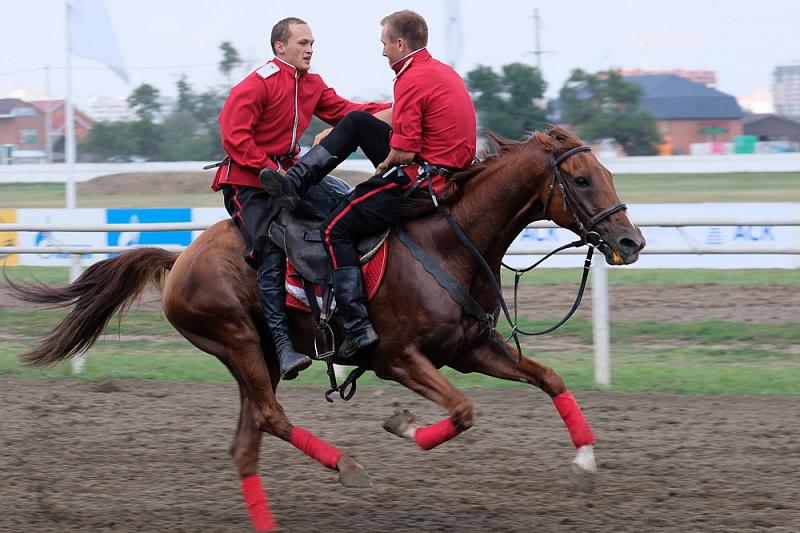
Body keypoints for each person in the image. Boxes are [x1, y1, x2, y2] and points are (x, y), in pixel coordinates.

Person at [259, 10, 477, 359]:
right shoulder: (438, 71)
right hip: (444, 175)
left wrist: (383, 168)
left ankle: (357, 327)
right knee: (358, 122)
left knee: (334, 229)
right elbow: (381, 117)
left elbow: (404, 152)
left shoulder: (409, 78)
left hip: (422, 182)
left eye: (385, 44)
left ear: (400, 43)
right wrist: (346, 133)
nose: (383, 51)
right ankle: (296, 183)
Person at [211, 17, 391, 380]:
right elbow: (234, 136)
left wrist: (400, 104)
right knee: (271, 249)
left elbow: (347, 111)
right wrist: (271, 172)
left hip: (291, 176)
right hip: (248, 184)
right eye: (302, 43)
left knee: (346, 215)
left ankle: (346, 315)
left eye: (312, 44)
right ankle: (282, 345)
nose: (309, 49)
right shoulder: (257, 84)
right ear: (280, 47)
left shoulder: (312, 84)